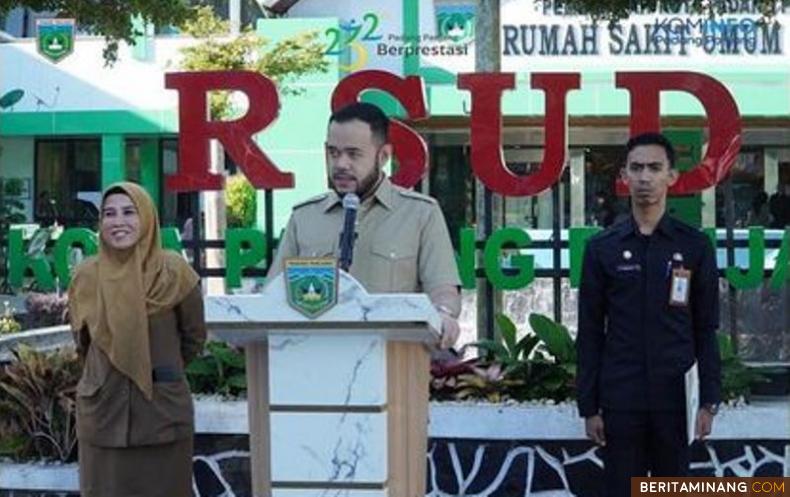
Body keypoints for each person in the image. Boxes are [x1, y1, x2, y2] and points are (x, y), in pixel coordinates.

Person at [576, 133, 721, 497]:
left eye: (655, 168)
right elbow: (591, 331)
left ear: (671, 176)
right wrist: (589, 406)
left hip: (675, 401)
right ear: (624, 175)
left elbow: (706, 327)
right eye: (636, 168)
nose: (645, 177)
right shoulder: (602, 248)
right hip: (621, 400)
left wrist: (709, 401)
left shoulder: (694, 246)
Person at [267, 102, 462, 348]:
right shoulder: (304, 217)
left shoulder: (420, 213)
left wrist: (443, 314)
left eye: (353, 154)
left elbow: (443, 290)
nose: (340, 164)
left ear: (383, 156)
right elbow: (272, 295)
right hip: (314, 360)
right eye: (333, 153)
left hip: (394, 363)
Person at [68, 182, 206, 497]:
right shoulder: (86, 276)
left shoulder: (174, 272)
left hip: (162, 415)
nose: (119, 222)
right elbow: (83, 344)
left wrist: (158, 368)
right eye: (109, 214)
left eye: (129, 212)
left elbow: (194, 337)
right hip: (103, 415)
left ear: (147, 217)